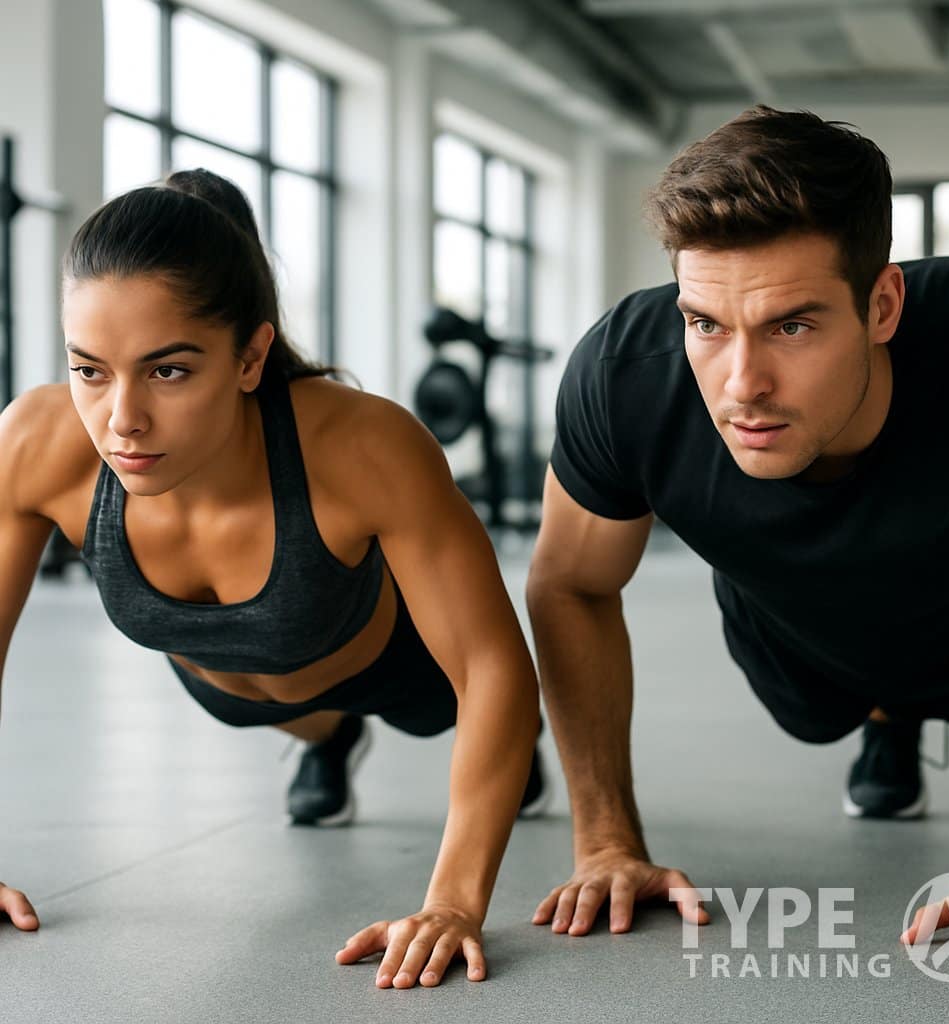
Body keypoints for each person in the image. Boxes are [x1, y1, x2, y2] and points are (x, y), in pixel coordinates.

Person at [0, 169, 548, 989]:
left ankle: (495, 762)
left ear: (250, 354)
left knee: (474, 721)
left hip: (397, 665)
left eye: (169, 371)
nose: (122, 419)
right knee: (287, 711)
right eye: (90, 370)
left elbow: (493, 668)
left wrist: (454, 900)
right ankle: (330, 740)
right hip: (231, 691)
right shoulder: (35, 442)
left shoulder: (361, 444)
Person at [526, 106, 949, 975]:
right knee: (826, 701)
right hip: (799, 633)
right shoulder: (625, 374)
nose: (741, 384)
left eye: (791, 325)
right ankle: (885, 722)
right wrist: (606, 843)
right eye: (706, 324)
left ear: (882, 304)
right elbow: (570, 582)